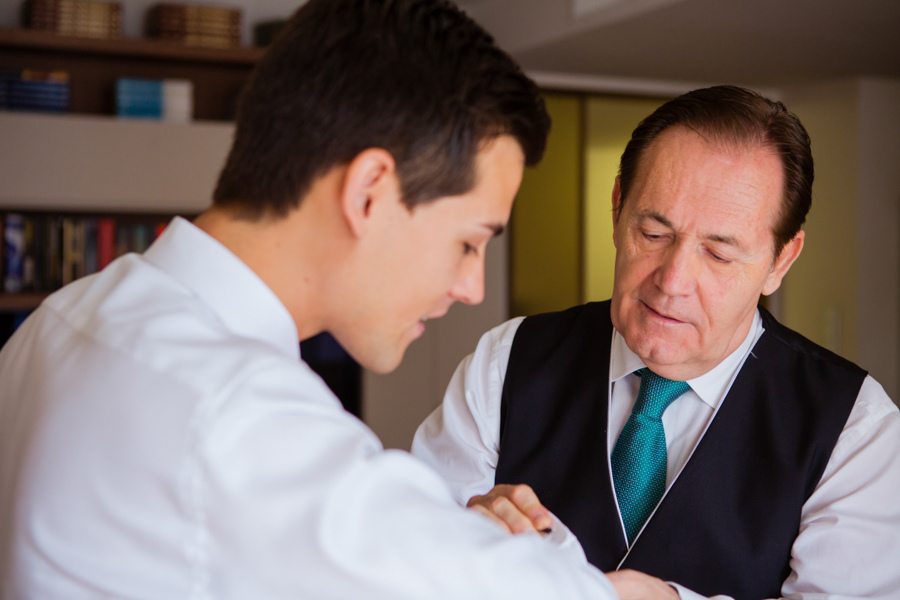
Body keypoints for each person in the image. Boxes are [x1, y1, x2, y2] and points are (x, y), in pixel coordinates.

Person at [0, 1, 622, 598]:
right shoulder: (236, 413)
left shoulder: (62, 319)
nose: (472, 286)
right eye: (467, 242)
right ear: (369, 192)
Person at [413, 86, 900, 600]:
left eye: (718, 254)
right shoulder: (507, 361)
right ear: (619, 208)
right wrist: (455, 544)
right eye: (653, 233)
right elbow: (403, 560)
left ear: (781, 261)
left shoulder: (855, 429)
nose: (672, 282)